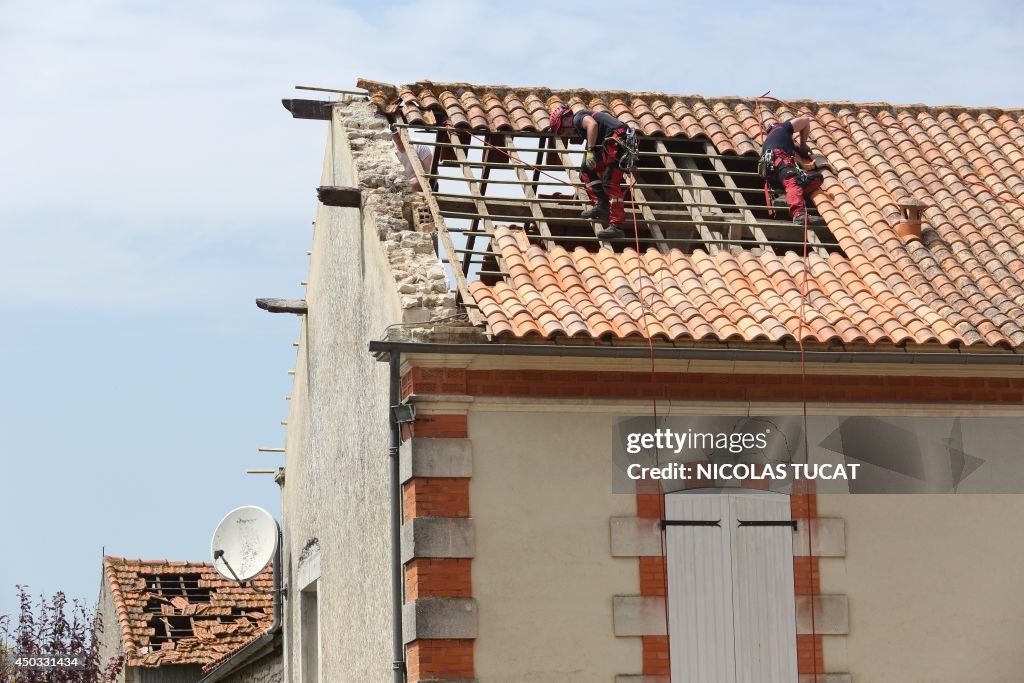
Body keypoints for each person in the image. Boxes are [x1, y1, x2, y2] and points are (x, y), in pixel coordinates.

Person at [549, 104, 629, 239]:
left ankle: (617, 226)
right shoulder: (579, 122)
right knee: (586, 169)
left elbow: (592, 125)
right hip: (614, 143)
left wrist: (591, 151)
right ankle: (602, 204)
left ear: (566, 120)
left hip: (618, 143)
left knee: (610, 182)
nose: (565, 134)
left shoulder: (578, 118)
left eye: (562, 130)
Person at [761, 116, 824, 224]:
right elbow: (806, 120)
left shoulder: (773, 141)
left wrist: (803, 166)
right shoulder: (783, 128)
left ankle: (792, 195)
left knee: (816, 178)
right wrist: (803, 144)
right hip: (781, 164)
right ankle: (799, 214)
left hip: (774, 174)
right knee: (793, 182)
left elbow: (794, 157)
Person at [391, 123, 433, 192]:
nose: (399, 136)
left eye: (400, 133)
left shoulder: (419, 145)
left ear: (407, 132)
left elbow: (433, 171)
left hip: (426, 185)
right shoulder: (391, 151)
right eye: (396, 135)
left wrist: (419, 179)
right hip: (404, 188)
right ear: (392, 136)